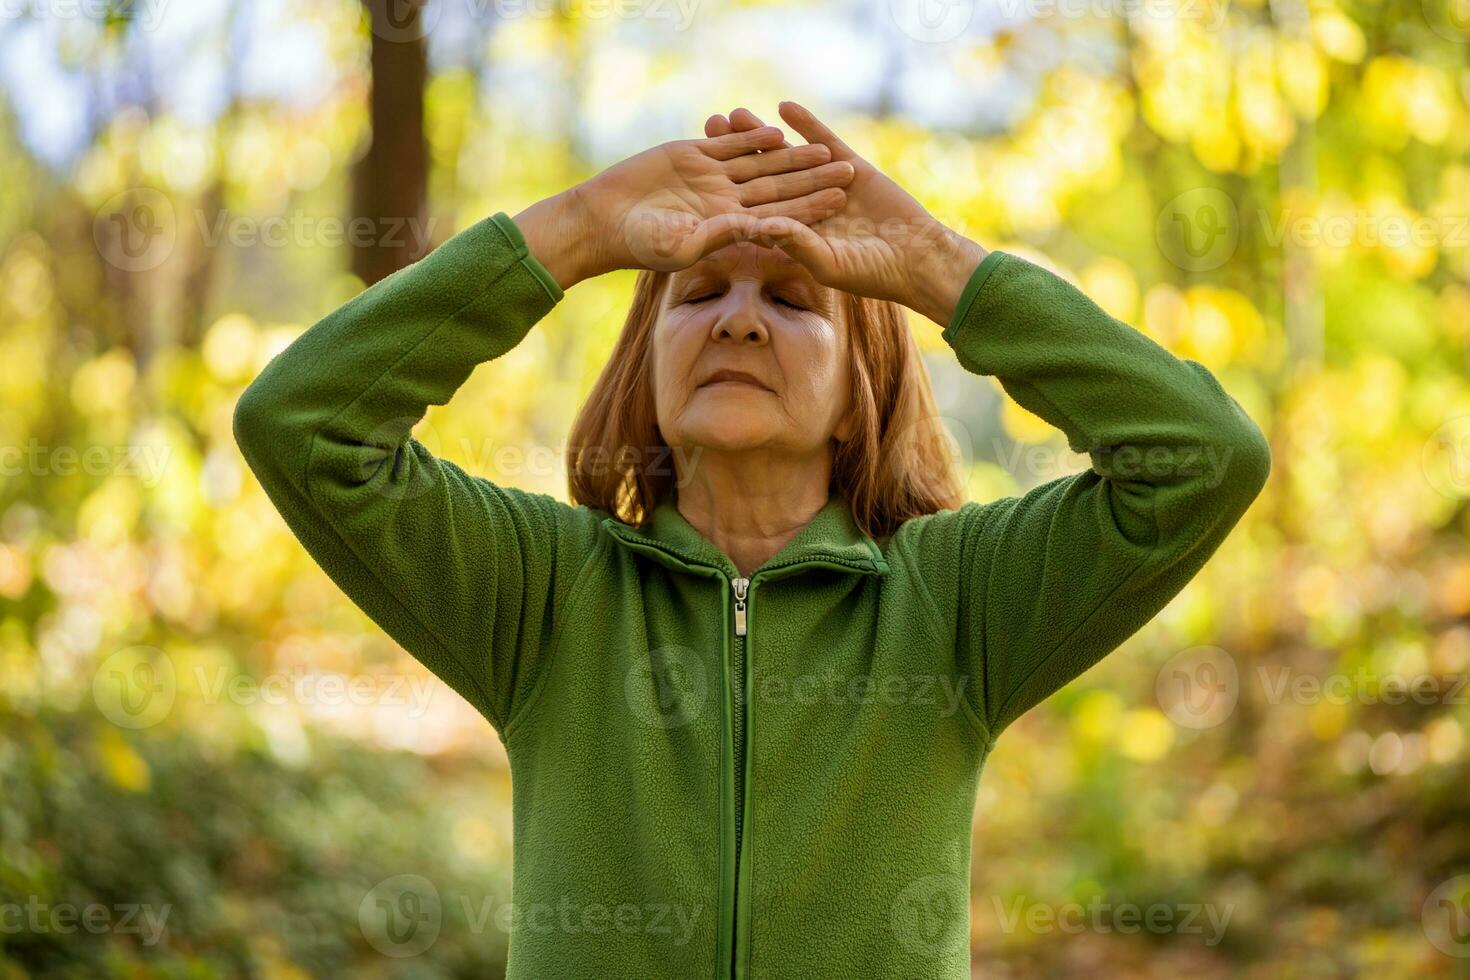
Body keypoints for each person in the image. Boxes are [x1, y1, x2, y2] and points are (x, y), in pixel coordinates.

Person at [233, 100, 1271, 978]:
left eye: (789, 298)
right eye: (696, 294)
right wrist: (582, 229)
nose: (737, 321)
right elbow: (304, 424)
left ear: (862, 390)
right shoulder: (545, 593)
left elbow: (1201, 456)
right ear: (644, 367)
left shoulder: (958, 603)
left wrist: (933, 264)